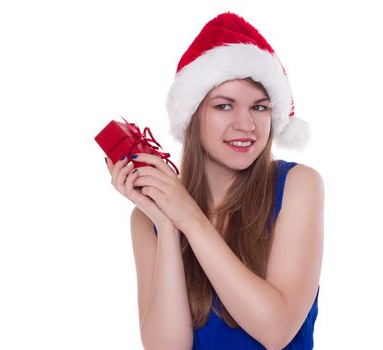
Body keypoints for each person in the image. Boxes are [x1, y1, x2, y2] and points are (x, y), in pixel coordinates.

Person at [105, 12, 323, 350]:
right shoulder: (147, 220)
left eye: (260, 108)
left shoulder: (298, 185)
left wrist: (189, 217)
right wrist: (166, 223)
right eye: (224, 106)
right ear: (193, 115)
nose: (246, 125)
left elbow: (276, 330)